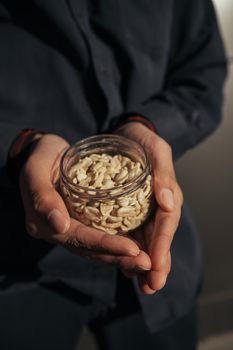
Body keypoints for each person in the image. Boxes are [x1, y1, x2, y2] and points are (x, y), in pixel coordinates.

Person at [0, 0, 227, 349]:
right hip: (17, 264)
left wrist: (146, 125)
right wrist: (20, 146)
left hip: (156, 243)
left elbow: (203, 71)